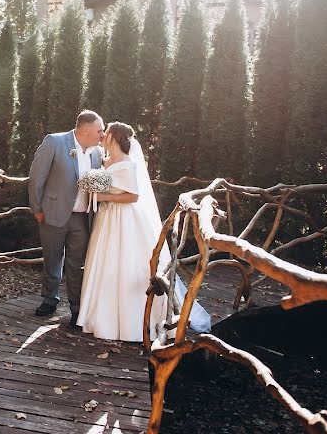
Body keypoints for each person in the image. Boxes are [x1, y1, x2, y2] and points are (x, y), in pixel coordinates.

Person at [75, 121, 211, 341]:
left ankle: (131, 322)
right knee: (105, 264)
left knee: (125, 264)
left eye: (106, 132)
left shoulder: (127, 164)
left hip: (123, 220)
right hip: (106, 219)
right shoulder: (104, 160)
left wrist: (101, 197)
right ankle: (100, 316)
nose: (102, 135)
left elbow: (133, 196)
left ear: (115, 137)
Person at [28, 110, 104, 328]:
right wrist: (37, 209)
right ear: (86, 129)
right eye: (99, 129)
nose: (102, 134)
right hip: (52, 212)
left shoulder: (98, 153)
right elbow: (36, 178)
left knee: (76, 264)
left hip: (82, 218)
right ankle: (49, 299)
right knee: (52, 258)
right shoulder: (55, 142)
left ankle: (76, 308)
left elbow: (100, 187)